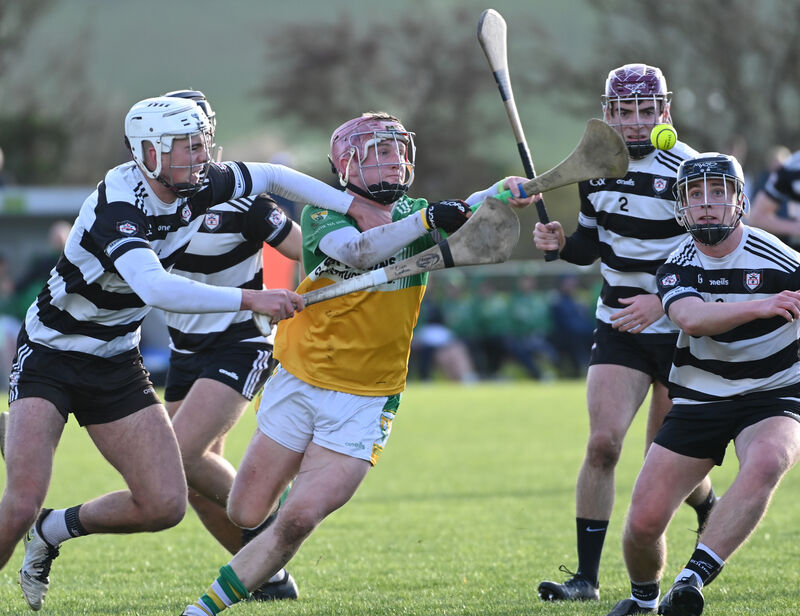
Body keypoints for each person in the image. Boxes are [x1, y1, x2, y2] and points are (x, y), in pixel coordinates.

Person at [0, 94, 385, 612]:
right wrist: (252, 297)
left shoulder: (203, 183)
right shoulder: (119, 204)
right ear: (150, 152)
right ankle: (263, 564)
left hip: (117, 359)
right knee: (20, 504)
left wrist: (352, 206)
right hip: (52, 352)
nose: (202, 155)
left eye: (201, 142)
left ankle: (53, 526)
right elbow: (155, 288)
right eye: (188, 145)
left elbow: (272, 175)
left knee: (165, 505)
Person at [180, 111, 534, 616]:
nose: (396, 161)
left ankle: (204, 608)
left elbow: (472, 206)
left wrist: (504, 190)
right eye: (382, 152)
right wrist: (429, 221)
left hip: (366, 398)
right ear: (347, 164)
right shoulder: (323, 215)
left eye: (400, 151)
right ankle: (289, 507)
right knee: (244, 510)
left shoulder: (416, 211)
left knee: (297, 520)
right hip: (300, 380)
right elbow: (360, 251)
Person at [532, 63, 717, 602]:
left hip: (681, 329)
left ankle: (707, 504)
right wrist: (560, 244)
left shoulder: (688, 171)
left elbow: (712, 255)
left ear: (664, 111)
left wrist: (663, 300)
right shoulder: (595, 170)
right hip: (619, 325)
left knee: (664, 458)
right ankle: (586, 580)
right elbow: (592, 244)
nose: (635, 122)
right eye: (624, 112)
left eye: (645, 111)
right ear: (608, 114)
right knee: (603, 444)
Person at [605, 152, 800, 616]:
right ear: (682, 206)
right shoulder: (677, 265)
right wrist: (762, 305)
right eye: (695, 194)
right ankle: (644, 600)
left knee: (769, 458)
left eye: (718, 192)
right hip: (700, 397)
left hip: (775, 391)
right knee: (643, 525)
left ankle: (690, 580)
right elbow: (691, 318)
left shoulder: (782, 258)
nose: (707, 202)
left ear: (740, 200)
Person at [157, 90, 301, 601]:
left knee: (179, 455)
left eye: (195, 139)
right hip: (184, 350)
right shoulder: (139, 202)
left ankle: (280, 529)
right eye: (178, 140)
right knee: (193, 482)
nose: (190, 150)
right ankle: (269, 580)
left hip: (241, 342)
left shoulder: (243, 201)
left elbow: (307, 251)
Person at [747, 145, 800, 249]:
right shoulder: (790, 170)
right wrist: (794, 227)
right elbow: (756, 218)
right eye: (774, 162)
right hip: (785, 243)